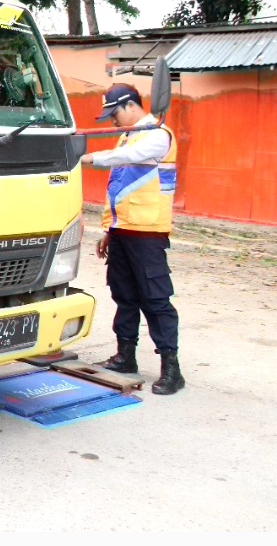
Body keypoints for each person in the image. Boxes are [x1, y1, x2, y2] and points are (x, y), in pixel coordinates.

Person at [81, 83, 185, 395]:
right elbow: (118, 185)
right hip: (122, 232)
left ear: (129, 105)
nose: (112, 121)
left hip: (147, 233)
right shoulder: (128, 135)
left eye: (113, 114)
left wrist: (85, 158)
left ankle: (171, 369)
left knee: (155, 300)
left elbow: (126, 157)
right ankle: (125, 357)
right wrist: (107, 231)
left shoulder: (158, 134)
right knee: (124, 296)